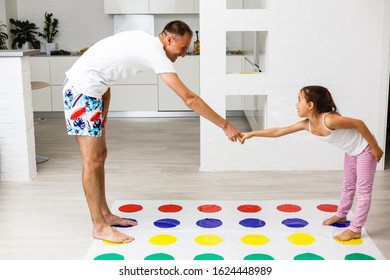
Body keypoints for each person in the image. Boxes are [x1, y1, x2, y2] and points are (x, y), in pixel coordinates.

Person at [62, 20, 243, 243]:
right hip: (82, 91)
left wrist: (104, 104)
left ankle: (105, 215)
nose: (184, 54)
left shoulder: (144, 40)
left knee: (100, 156)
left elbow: (105, 63)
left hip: (93, 92)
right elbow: (189, 98)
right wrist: (225, 125)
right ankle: (99, 226)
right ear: (169, 40)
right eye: (183, 48)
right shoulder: (155, 52)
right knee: (91, 160)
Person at [240, 85, 383, 241]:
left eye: (299, 100)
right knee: (348, 185)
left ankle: (355, 229)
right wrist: (252, 134)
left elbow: (359, 124)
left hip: (365, 149)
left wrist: (375, 147)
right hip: (350, 151)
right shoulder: (306, 124)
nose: (296, 104)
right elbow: (278, 131)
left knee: (363, 191)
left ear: (310, 105)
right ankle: (342, 215)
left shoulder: (329, 119)